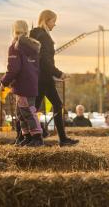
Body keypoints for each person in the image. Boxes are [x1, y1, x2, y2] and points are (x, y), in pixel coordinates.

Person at [30, 10, 78, 147]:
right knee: (56, 105)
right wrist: (59, 73)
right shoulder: (44, 37)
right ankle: (61, 139)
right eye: (53, 21)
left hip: (38, 77)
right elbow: (45, 61)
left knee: (33, 108)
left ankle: (31, 135)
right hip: (44, 78)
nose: (54, 24)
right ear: (46, 20)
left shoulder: (35, 35)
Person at [0, 20, 44, 146]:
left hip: (22, 85)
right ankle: (27, 136)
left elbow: (13, 69)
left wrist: (4, 81)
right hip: (31, 83)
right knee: (21, 113)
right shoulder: (32, 46)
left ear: (14, 31)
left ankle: (37, 137)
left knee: (28, 111)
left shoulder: (15, 47)